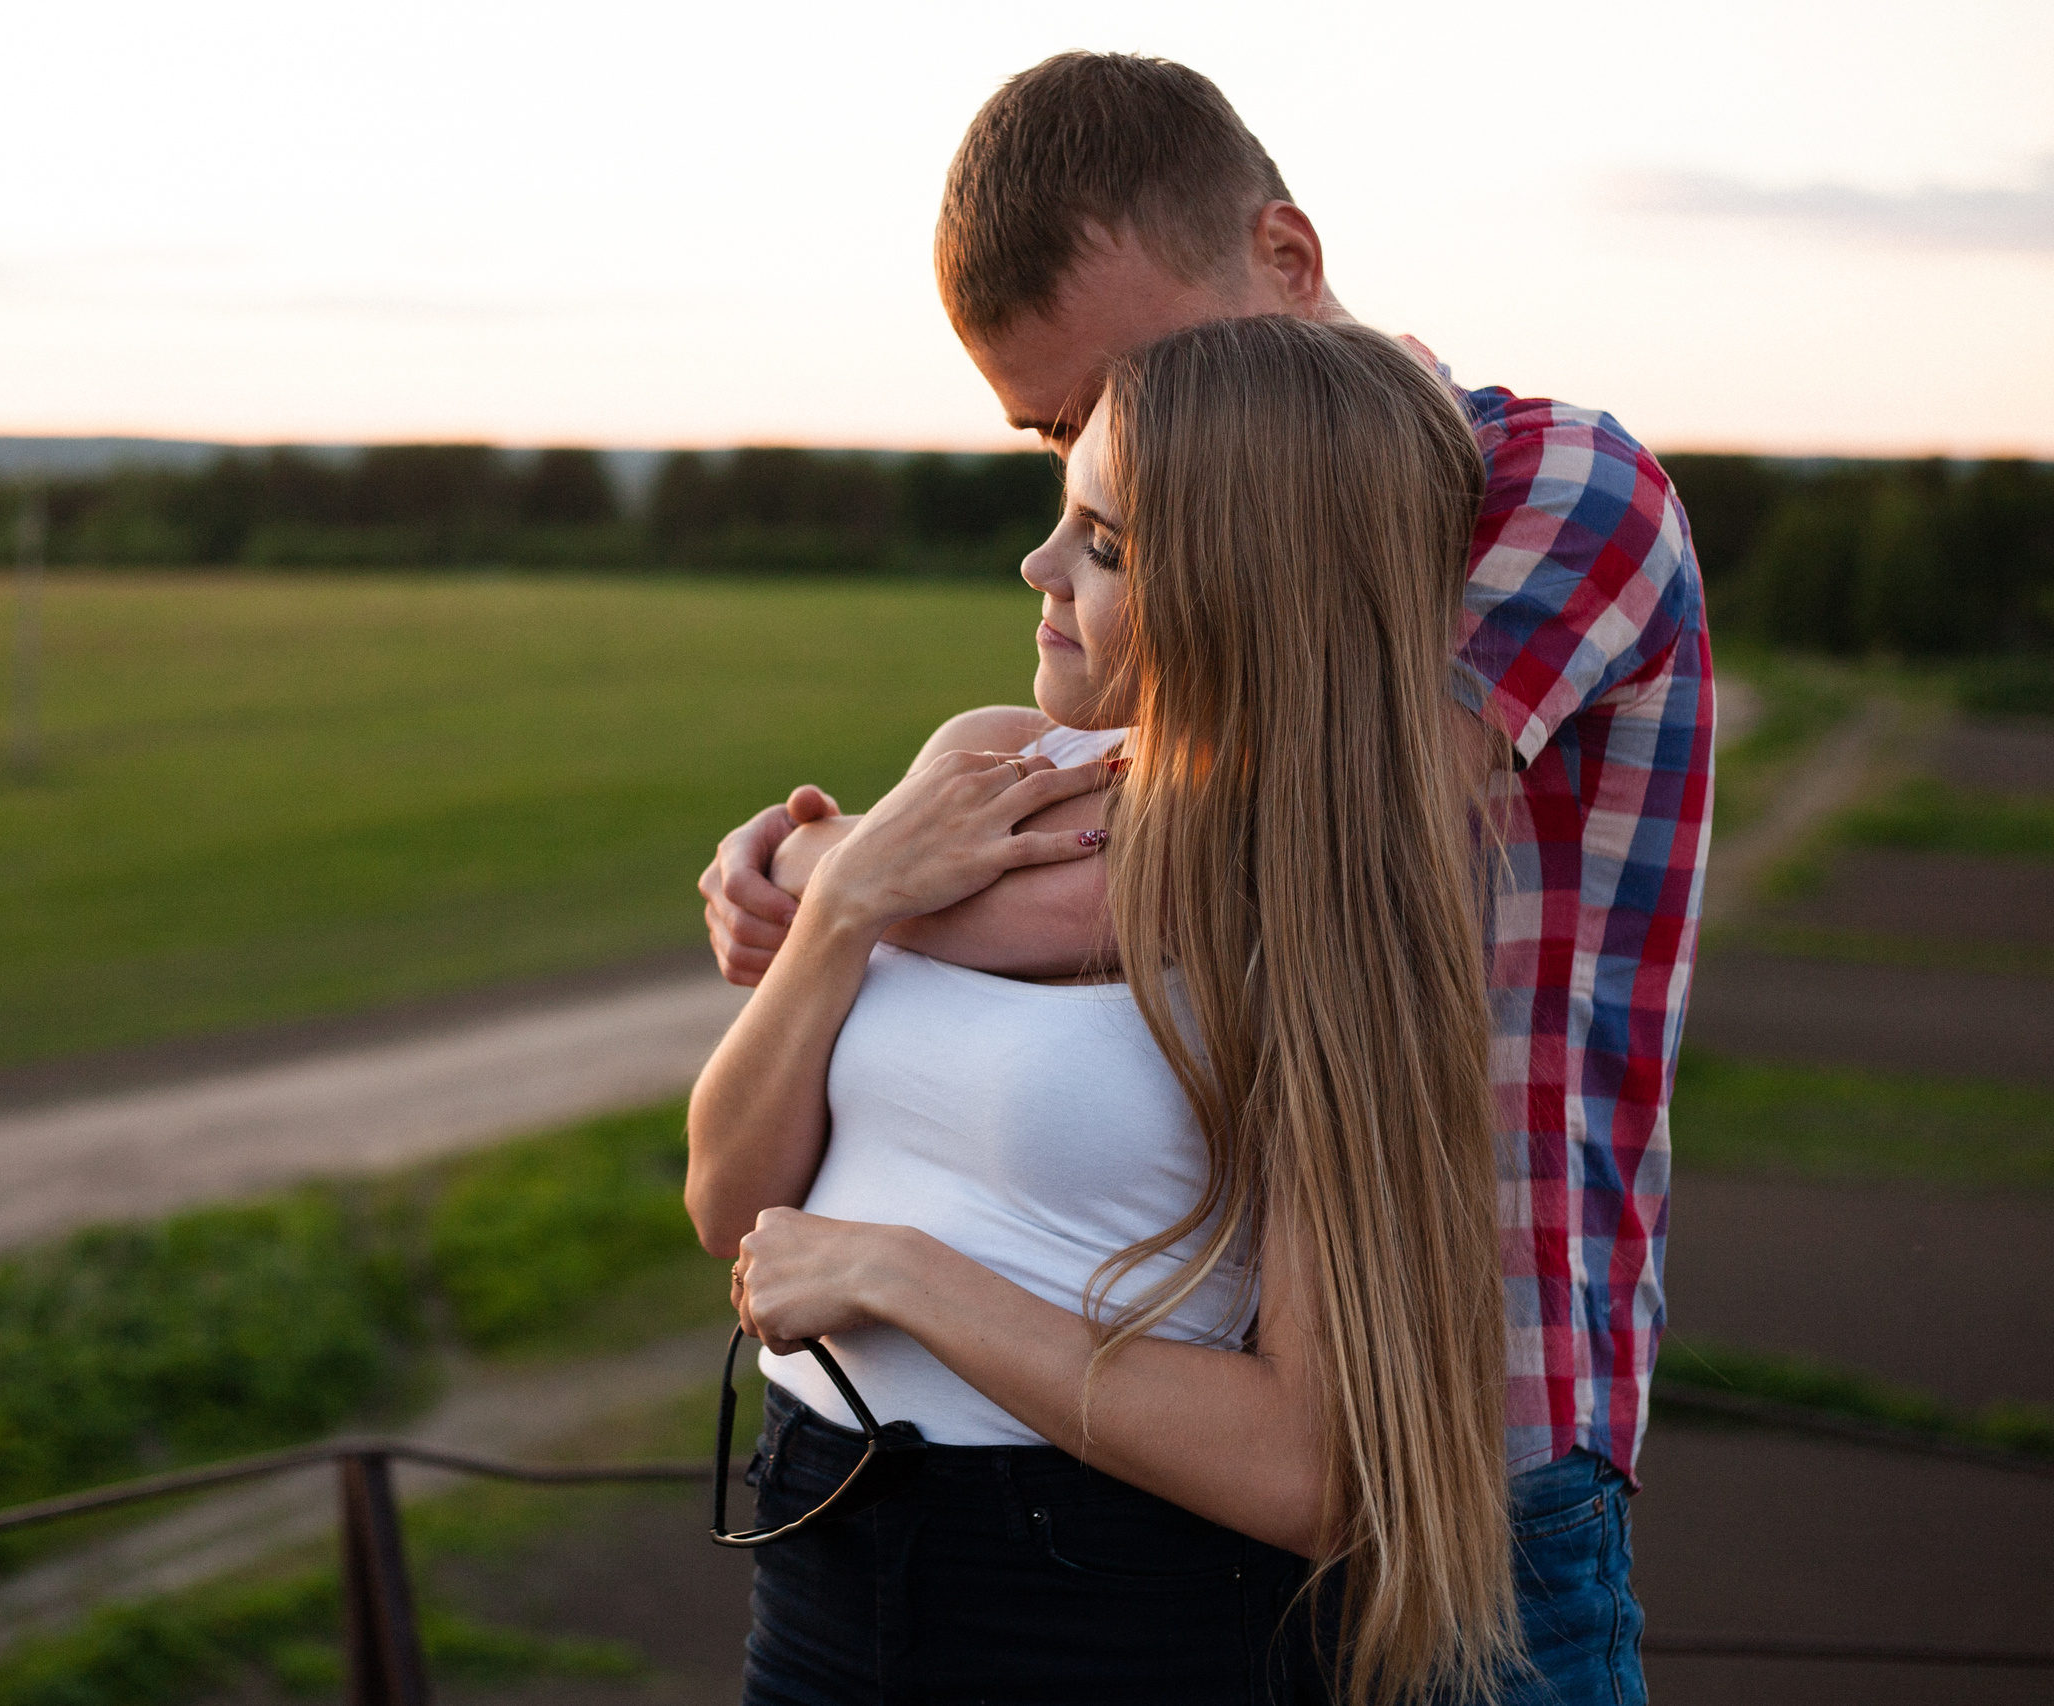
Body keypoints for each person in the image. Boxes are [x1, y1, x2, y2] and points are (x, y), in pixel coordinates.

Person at [698, 53, 1711, 1706]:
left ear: (1289, 261)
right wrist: (858, 883)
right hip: (1149, 1462)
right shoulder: (1184, 545)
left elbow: (1222, 858)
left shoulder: (1547, 486)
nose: (1115, 456)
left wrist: (836, 865)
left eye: (1133, 385)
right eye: (1060, 435)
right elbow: (1089, 812)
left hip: (1483, 1425)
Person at [691, 315, 1517, 1705]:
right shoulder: (984, 766)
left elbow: (1305, 1466)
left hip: (1101, 1598)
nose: (1038, 566)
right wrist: (840, 906)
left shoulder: (1319, 909)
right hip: (821, 1538)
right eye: (1064, 518)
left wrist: (907, 1275)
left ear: (1250, 591)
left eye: (1108, 546)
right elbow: (730, 1202)